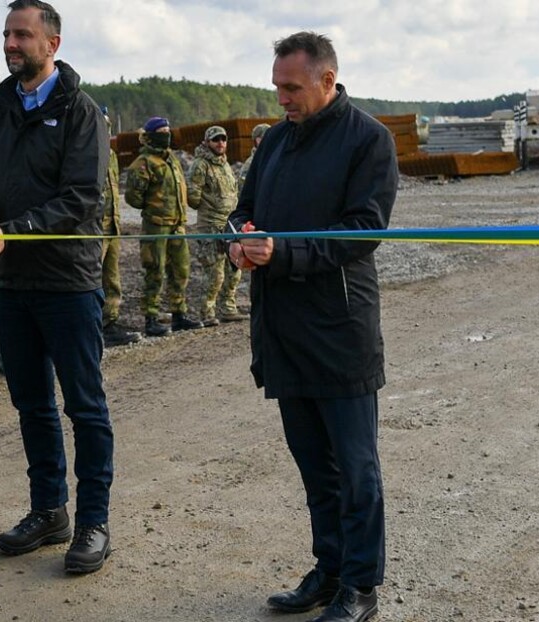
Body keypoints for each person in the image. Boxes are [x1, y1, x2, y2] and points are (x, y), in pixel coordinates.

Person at [228, 32, 396, 622]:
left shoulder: (368, 139)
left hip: (339, 328)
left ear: (327, 80)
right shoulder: (275, 141)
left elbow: (363, 230)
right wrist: (239, 241)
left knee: (355, 469)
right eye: (277, 87)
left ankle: (361, 585)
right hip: (282, 330)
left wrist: (282, 253)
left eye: (292, 88)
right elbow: (241, 210)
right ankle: (328, 571)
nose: (282, 99)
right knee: (313, 467)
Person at [0, 0, 114, 574]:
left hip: (68, 283)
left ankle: (93, 521)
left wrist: (12, 232)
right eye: (6, 34)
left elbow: (81, 198)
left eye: (22, 34)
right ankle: (49, 510)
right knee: (32, 405)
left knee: (85, 407)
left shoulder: (81, 112)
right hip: (10, 283)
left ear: (53, 44)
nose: (10, 44)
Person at [125, 116, 203, 337]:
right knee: (155, 271)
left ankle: (179, 314)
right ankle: (151, 318)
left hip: (177, 225)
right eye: (161, 132)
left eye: (168, 131)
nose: (166, 135)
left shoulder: (172, 160)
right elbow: (133, 197)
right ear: (150, 136)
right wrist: (154, 208)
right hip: (156, 227)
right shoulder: (143, 163)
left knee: (181, 270)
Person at [187, 125, 246, 327]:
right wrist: (210, 205)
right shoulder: (200, 165)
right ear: (207, 142)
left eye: (223, 139)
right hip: (210, 225)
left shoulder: (225, 164)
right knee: (214, 273)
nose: (220, 143)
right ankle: (207, 312)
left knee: (234, 268)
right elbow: (193, 197)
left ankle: (228, 308)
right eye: (215, 139)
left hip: (228, 224)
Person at [100, 106, 143, 347]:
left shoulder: (111, 155)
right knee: (89, 282)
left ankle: (109, 323)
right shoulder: (83, 152)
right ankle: (89, 327)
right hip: (93, 229)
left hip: (112, 226)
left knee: (112, 279)